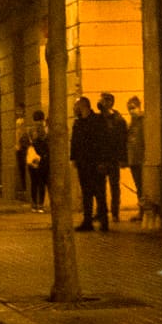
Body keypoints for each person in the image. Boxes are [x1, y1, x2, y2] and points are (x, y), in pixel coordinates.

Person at [70, 95, 109, 231]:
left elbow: (104, 142)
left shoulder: (98, 121)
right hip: (83, 164)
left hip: (96, 163)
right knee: (86, 193)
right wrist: (74, 158)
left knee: (99, 192)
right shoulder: (78, 122)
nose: (74, 109)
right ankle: (87, 222)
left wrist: (103, 161)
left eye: (76, 106)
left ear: (83, 106)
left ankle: (104, 221)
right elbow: (74, 142)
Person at [96, 93, 130, 223]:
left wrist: (123, 159)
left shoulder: (118, 120)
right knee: (100, 187)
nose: (101, 102)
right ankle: (101, 212)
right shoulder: (98, 119)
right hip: (101, 158)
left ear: (110, 102)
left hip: (113, 158)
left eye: (104, 100)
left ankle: (115, 212)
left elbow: (122, 141)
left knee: (114, 186)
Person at [24, 110, 50, 213]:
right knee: (42, 182)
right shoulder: (43, 130)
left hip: (32, 157)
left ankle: (34, 204)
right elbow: (45, 140)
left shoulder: (29, 130)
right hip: (42, 158)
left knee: (34, 182)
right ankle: (41, 204)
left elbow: (25, 142)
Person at [125, 96, 146, 203]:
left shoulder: (144, 121)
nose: (131, 111)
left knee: (144, 187)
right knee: (138, 187)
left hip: (142, 159)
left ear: (139, 106)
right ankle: (141, 210)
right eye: (129, 109)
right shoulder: (131, 123)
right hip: (133, 160)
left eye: (133, 108)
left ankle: (144, 211)